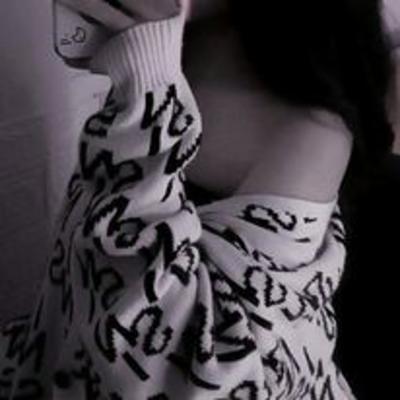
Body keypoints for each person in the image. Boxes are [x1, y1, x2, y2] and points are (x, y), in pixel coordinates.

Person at [0, 0, 395, 398]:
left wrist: (145, 91)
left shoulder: (312, 135)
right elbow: (88, 256)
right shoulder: (180, 54)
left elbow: (188, 376)